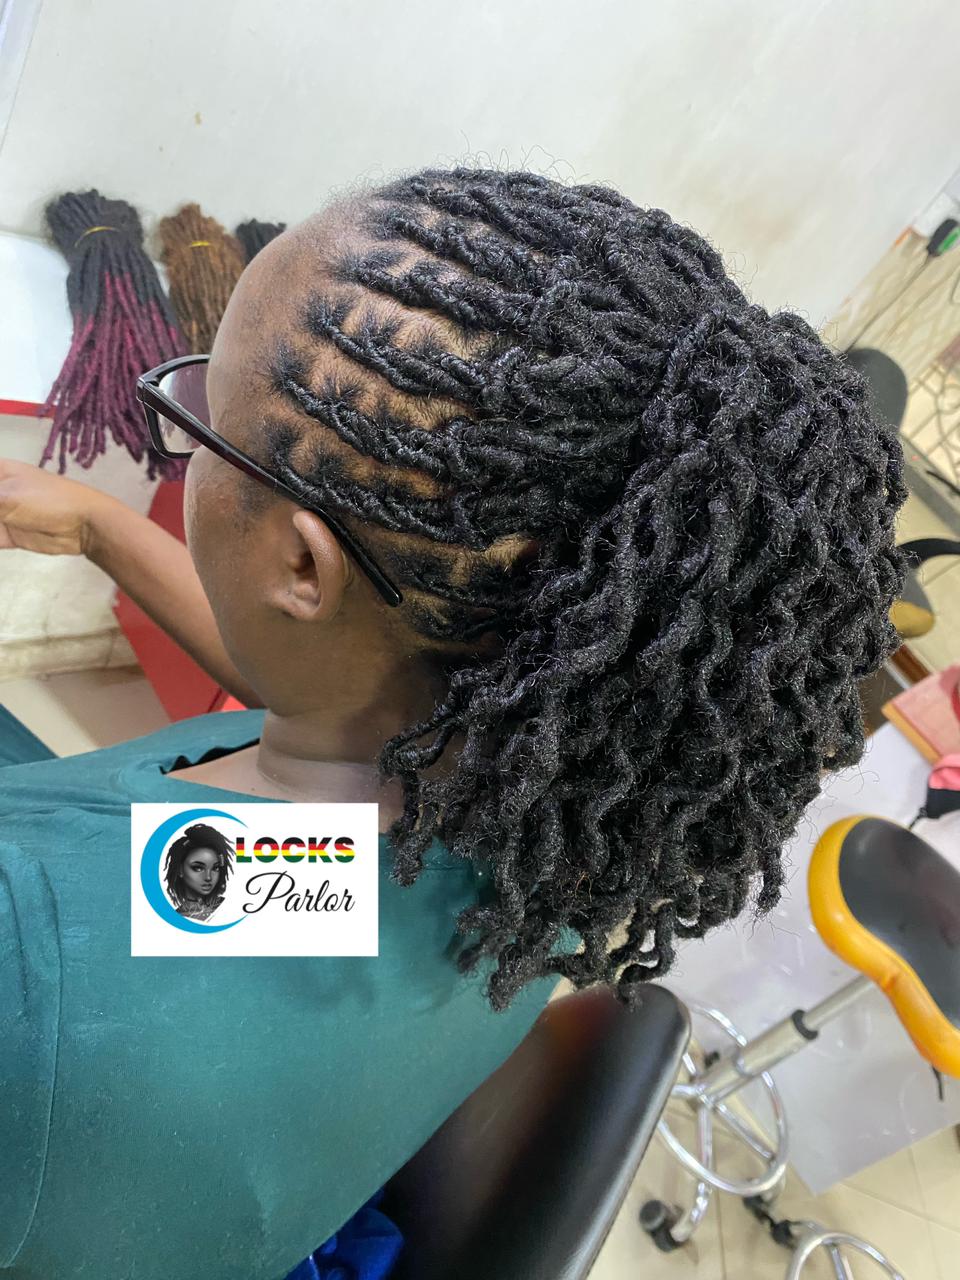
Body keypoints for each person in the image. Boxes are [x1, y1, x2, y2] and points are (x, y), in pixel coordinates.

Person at [0, 166, 907, 1279]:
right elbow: (303, 711)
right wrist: (100, 527)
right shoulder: (505, 836)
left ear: (303, 567)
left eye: (203, 418)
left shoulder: (32, 977)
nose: (186, 432)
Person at [163, 821, 234, 920]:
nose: (208, 877)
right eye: (198, 868)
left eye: (215, 868)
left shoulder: (231, 907)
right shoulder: (171, 919)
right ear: (180, 870)